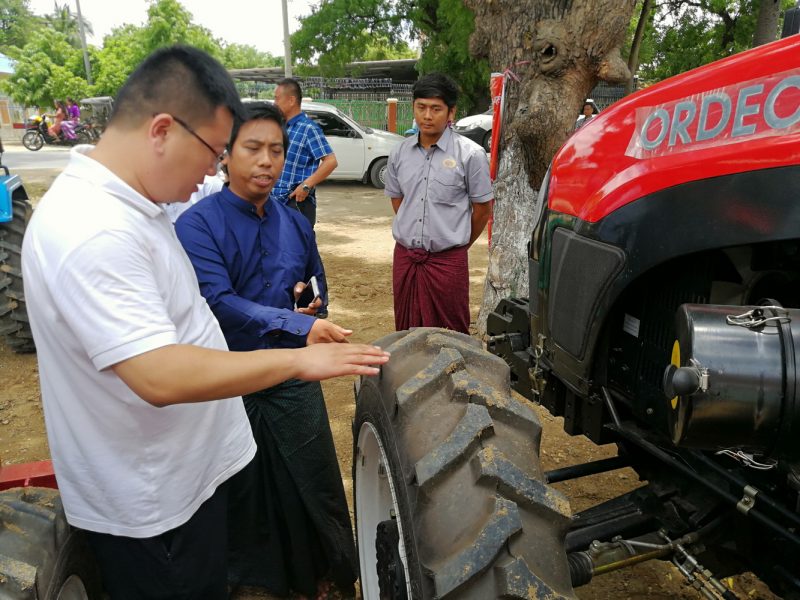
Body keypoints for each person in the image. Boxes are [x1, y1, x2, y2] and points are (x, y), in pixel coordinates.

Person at [21, 45, 389, 600]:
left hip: (185, 482)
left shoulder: (134, 209)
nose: (212, 173)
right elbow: (160, 375)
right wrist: (297, 354)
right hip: (153, 504)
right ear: (163, 130)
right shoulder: (93, 231)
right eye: (217, 151)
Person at [176, 102, 357, 599]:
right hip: (229, 377)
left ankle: (325, 572)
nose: (267, 162)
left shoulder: (294, 220)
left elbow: (314, 278)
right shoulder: (197, 225)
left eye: (276, 150)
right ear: (226, 156)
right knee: (245, 485)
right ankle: (251, 581)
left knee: (313, 478)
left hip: (293, 376)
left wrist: (313, 303)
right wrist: (290, 323)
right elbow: (219, 301)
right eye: (253, 148)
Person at [385, 73, 493, 334]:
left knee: (451, 332)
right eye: (421, 107)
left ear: (451, 112)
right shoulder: (399, 152)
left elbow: (482, 209)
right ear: (413, 108)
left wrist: (457, 243)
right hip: (407, 258)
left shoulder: (471, 154)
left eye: (436, 109)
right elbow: (399, 200)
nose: (427, 116)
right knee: (407, 332)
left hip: (448, 262)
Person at [272, 77, 338, 229]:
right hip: (274, 202)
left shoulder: (308, 129)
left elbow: (331, 161)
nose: (274, 103)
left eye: (277, 99)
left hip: (295, 203)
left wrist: (306, 185)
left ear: (291, 100)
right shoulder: (280, 127)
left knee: (299, 249)